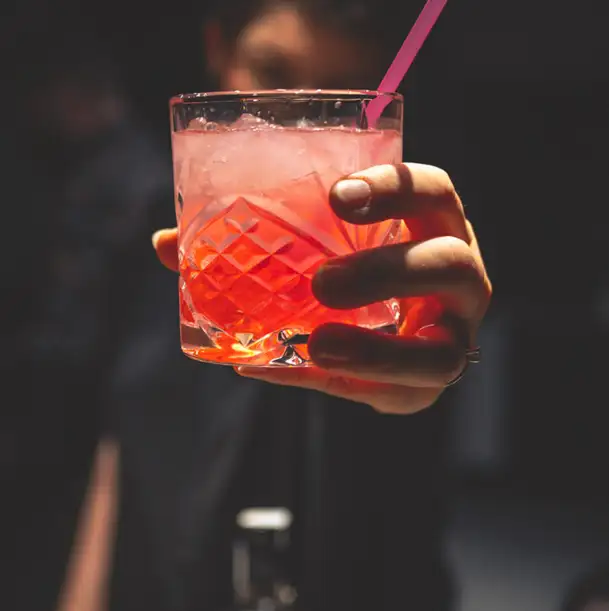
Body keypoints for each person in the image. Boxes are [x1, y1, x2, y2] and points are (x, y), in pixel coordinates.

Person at [137, 2, 491, 611]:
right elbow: (113, 447)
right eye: (271, 71)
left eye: (330, 98)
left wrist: (438, 356)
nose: (292, 112)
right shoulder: (152, 219)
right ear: (218, 49)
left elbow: (407, 467)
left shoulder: (406, 229)